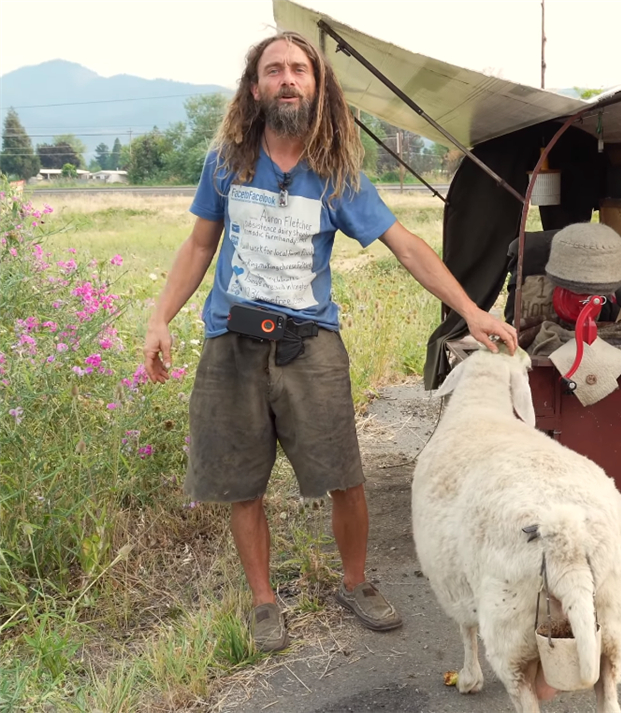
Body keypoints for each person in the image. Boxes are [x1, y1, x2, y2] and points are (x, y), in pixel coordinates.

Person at [143, 30, 517, 652]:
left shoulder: (337, 173)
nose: (286, 79)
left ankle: (355, 581)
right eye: (273, 70)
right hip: (230, 344)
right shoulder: (227, 162)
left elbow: (406, 246)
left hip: (310, 346)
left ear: (318, 86)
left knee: (345, 475)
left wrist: (471, 310)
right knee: (243, 484)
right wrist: (160, 318)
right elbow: (199, 246)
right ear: (255, 87)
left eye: (298, 69)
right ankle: (264, 601)